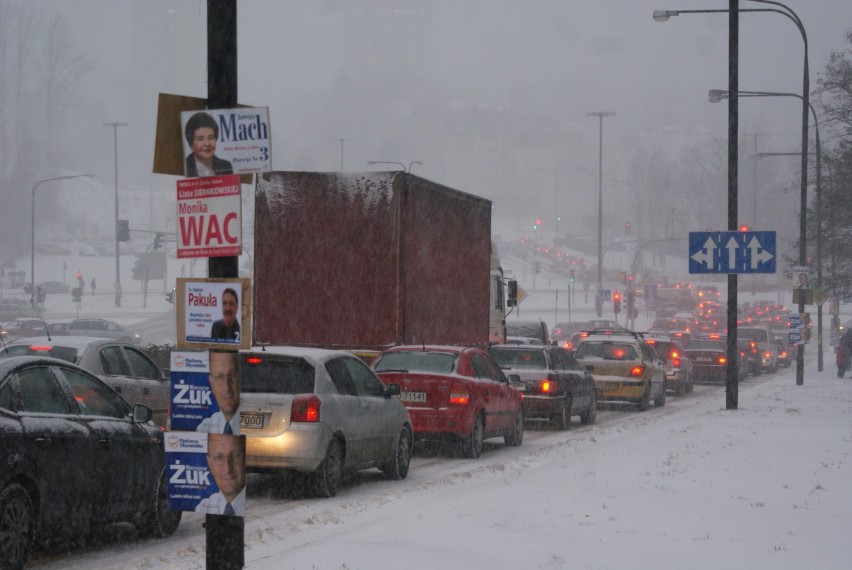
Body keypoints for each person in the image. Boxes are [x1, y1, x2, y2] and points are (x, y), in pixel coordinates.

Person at [195, 434, 245, 517]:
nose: (227, 469)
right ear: (210, 464)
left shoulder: (257, 509)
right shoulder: (204, 506)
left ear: (244, 459)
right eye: (218, 457)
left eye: (235, 456)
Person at [197, 351, 241, 434]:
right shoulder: (205, 428)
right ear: (212, 383)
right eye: (219, 377)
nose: (227, 389)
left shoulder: (250, 426)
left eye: (233, 376)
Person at [184, 111, 233, 177]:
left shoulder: (226, 166)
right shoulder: (183, 167)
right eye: (200, 139)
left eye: (211, 138)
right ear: (191, 145)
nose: (207, 144)